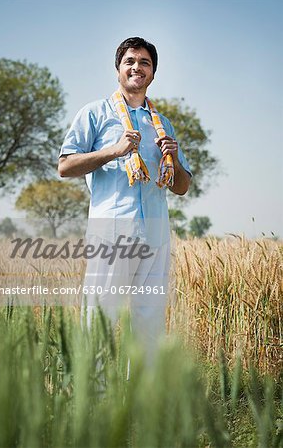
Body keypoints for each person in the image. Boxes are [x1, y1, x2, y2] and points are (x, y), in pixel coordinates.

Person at [58, 37, 192, 362]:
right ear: (118, 69)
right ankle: (95, 403)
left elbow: (182, 186)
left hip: (156, 237)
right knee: (101, 319)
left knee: (149, 324)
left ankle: (142, 404)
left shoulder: (163, 125)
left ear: (153, 73)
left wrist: (172, 160)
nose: (137, 67)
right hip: (112, 234)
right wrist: (113, 151)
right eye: (130, 61)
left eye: (145, 62)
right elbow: (65, 166)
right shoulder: (95, 113)